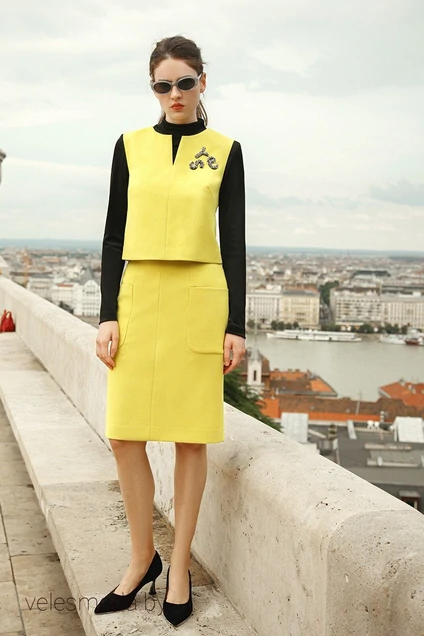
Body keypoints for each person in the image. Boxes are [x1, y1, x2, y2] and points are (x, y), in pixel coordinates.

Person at [94, 35, 246, 627]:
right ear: (153, 88)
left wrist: (236, 324)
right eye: (163, 85)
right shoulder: (129, 146)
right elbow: (113, 234)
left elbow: (234, 241)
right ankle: (143, 558)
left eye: (185, 82)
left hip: (199, 298)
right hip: (138, 297)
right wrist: (108, 312)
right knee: (124, 434)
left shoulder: (225, 151)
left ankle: (178, 566)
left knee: (190, 436)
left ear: (202, 82)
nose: (175, 94)